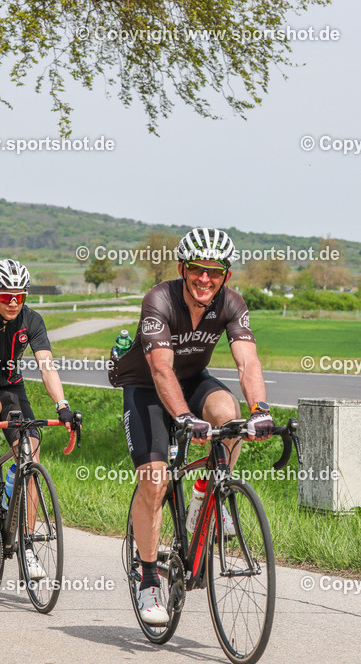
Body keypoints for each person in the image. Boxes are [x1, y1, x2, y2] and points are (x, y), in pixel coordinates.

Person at [109, 227, 274, 626]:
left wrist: (261, 408)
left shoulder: (232, 304)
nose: (205, 279)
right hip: (147, 385)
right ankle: (148, 578)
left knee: (229, 413)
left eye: (214, 272)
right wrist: (184, 418)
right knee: (154, 479)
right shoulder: (159, 299)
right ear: (183, 269)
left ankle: (207, 495)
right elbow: (161, 369)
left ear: (226, 276)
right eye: (197, 269)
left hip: (191, 379)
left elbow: (247, 362)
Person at [0, 258, 77, 580]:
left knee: (31, 451)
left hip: (12, 387)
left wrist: (62, 406)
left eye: (19, 296)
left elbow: (46, 365)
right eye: (6, 295)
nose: (13, 302)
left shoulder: (32, 320)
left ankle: (26, 544)